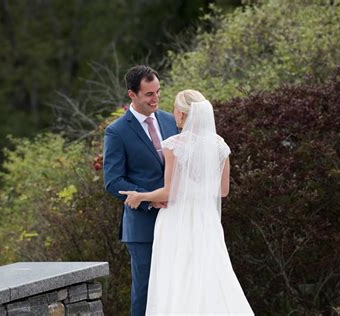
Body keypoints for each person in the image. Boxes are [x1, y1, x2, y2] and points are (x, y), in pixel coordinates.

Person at [120, 90, 254, 315]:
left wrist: (140, 196)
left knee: (176, 277)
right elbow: (222, 191)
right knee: (209, 275)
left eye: (175, 109)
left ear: (182, 114)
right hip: (206, 219)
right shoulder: (220, 146)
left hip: (176, 220)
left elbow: (170, 192)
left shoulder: (174, 145)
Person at [103, 65, 180, 316]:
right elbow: (113, 181)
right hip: (142, 227)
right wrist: (149, 200)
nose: (155, 98)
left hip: (177, 221)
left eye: (158, 92)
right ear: (131, 95)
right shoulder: (117, 131)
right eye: (149, 94)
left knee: (175, 289)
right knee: (145, 292)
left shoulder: (170, 121)